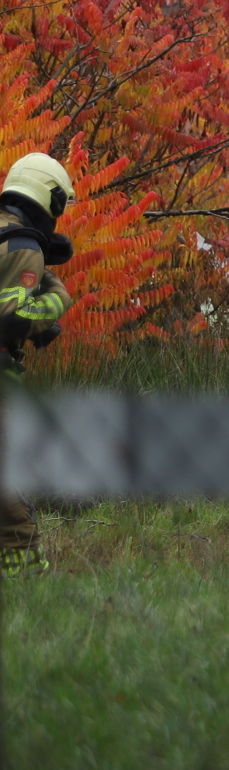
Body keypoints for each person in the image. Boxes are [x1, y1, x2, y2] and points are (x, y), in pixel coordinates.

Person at [0, 152, 76, 571]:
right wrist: (56, 300)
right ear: (52, 200)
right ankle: (25, 569)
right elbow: (11, 316)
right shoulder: (23, 245)